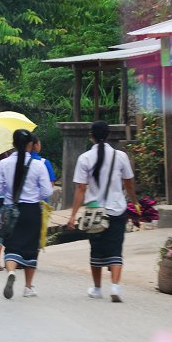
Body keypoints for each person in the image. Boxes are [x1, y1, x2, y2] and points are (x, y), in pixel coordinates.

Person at [66, 121, 139, 303]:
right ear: (108, 135)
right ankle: (115, 286)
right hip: (116, 208)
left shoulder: (84, 158)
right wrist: (135, 202)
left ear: (91, 136)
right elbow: (128, 183)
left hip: (94, 211)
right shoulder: (120, 156)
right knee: (115, 248)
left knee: (96, 250)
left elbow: (81, 188)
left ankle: (97, 288)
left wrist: (73, 215)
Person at [0, 129, 53, 299]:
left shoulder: (3, 164)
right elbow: (47, 190)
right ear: (30, 145)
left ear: (13, 144)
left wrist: (9, 193)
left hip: (10, 211)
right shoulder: (39, 165)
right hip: (32, 210)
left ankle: (11, 272)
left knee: (12, 246)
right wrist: (33, 196)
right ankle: (28, 287)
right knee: (30, 248)